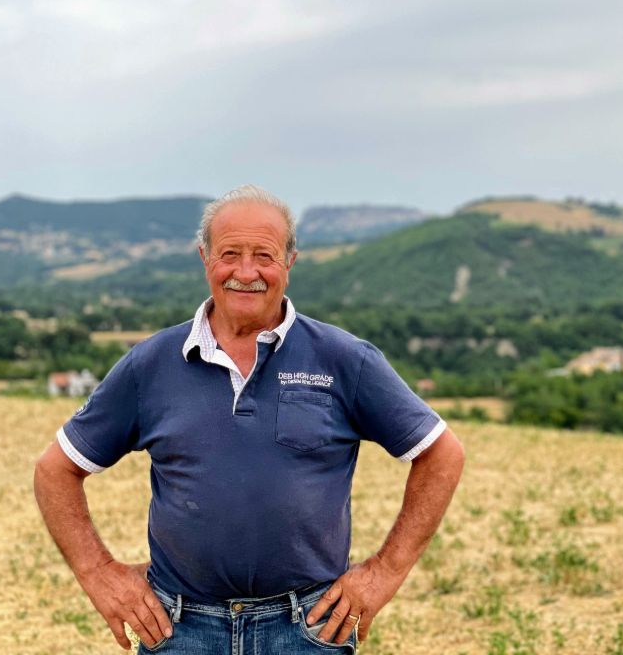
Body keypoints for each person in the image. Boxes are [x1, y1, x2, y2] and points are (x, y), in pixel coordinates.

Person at [34, 185, 465, 653]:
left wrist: (385, 573)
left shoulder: (345, 359)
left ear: (290, 262)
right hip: (180, 631)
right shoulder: (150, 364)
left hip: (308, 629)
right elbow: (55, 469)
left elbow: (442, 454)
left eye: (264, 255)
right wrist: (99, 575)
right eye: (229, 254)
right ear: (204, 258)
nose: (246, 272)